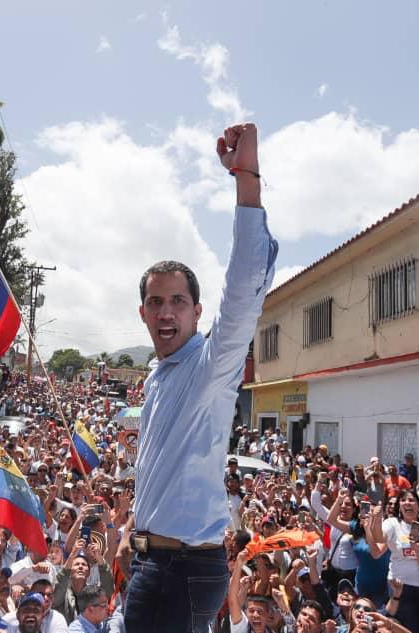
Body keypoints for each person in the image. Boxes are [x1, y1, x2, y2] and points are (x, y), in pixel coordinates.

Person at [118, 122, 278, 633]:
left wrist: (246, 180)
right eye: (156, 302)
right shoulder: (157, 377)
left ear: (197, 312)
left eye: (178, 302)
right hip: (151, 559)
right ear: (143, 313)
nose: (167, 312)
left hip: (185, 568)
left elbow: (243, 288)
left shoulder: (212, 366)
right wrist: (132, 530)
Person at [371, 488, 419, 633]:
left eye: (411, 500)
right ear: (399, 507)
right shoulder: (393, 524)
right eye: (403, 500)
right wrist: (377, 520)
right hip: (401, 589)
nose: (407, 503)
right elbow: (379, 538)